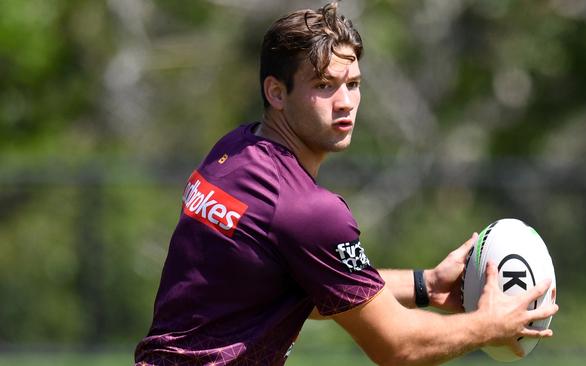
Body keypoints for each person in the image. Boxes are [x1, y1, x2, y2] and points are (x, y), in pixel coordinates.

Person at [134, 2, 559, 365]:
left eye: (352, 85)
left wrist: (426, 285)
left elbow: (303, 288)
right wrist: (487, 325)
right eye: (324, 86)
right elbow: (398, 346)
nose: (346, 103)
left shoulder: (234, 152)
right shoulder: (306, 209)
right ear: (276, 92)